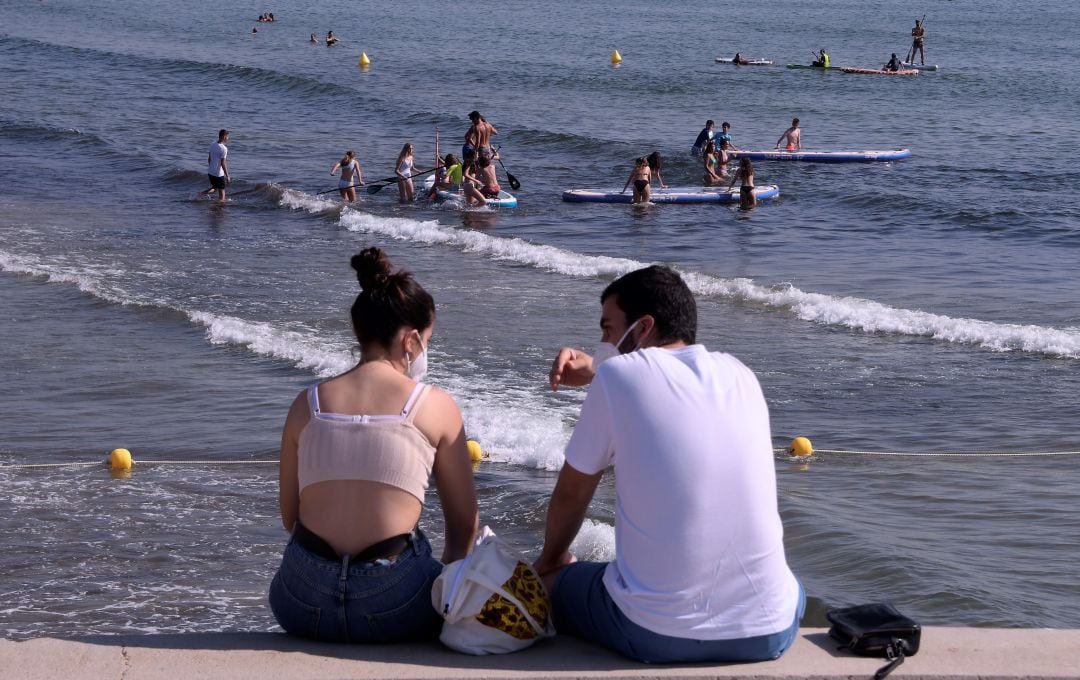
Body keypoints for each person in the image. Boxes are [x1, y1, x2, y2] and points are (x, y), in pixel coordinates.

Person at [535, 265, 804, 664]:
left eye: (608, 329)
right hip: (773, 628)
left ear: (643, 328)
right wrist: (599, 367)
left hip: (653, 632)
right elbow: (652, 378)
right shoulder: (741, 374)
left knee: (558, 580)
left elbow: (572, 494)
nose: (603, 341)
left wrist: (551, 562)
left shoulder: (616, 379)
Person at [269, 247, 479, 643]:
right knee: (424, 555)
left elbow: (289, 518)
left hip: (300, 601)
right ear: (411, 340)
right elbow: (464, 523)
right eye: (428, 340)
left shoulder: (307, 403)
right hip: (394, 605)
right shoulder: (434, 405)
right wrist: (449, 594)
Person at [201, 129, 230, 201]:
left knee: (215, 188)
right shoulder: (224, 149)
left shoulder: (212, 144)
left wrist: (212, 168)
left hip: (210, 172)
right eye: (228, 137)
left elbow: (209, 159)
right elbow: (223, 163)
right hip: (218, 174)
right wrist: (227, 176)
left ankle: (201, 194)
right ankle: (220, 207)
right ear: (224, 137)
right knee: (222, 193)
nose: (228, 138)